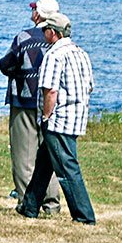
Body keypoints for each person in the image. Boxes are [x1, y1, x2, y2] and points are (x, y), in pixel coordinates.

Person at [18, 12, 96, 224]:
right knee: (44, 162)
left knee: (66, 167)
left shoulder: (54, 55)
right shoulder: (81, 53)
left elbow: (50, 91)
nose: (43, 33)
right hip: (76, 117)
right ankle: (29, 206)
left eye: (45, 29)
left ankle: (84, 216)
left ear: (53, 32)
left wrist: (46, 116)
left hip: (58, 120)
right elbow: (89, 86)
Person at [0, 0, 63, 213]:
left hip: (24, 100)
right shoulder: (60, 41)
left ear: (38, 14)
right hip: (51, 103)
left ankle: (27, 202)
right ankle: (52, 203)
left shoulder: (24, 37)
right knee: (48, 154)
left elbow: (6, 64)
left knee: (24, 156)